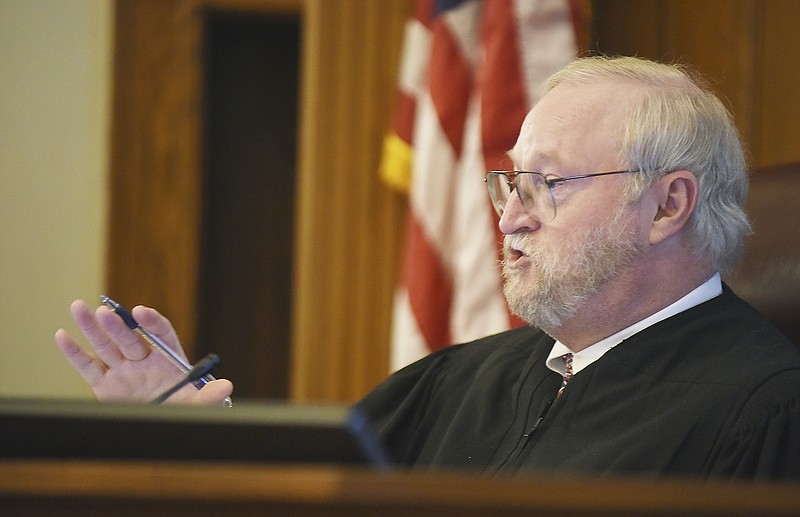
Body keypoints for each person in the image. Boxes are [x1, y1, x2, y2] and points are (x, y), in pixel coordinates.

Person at [55, 56, 800, 480]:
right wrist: (206, 441)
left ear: (669, 204)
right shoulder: (457, 381)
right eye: (511, 182)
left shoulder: (767, 413)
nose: (510, 216)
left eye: (550, 183)